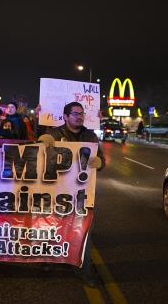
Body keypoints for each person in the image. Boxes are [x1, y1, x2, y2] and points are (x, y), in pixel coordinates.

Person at [39, 101, 104, 287]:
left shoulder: (90, 136)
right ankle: (47, 260)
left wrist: (100, 162)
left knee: (83, 234)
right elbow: (38, 156)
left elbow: (101, 160)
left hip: (82, 194)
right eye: (75, 113)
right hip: (56, 192)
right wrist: (42, 143)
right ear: (65, 117)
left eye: (82, 113)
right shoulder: (54, 134)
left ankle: (84, 270)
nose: (79, 116)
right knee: (52, 227)